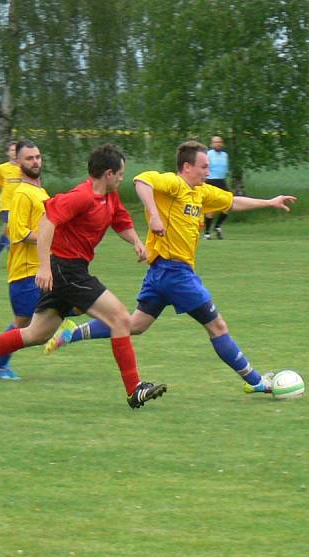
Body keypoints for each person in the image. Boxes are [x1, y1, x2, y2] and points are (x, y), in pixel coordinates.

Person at [44, 140, 296, 395]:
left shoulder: (202, 193)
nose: (208, 172)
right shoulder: (174, 184)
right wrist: (153, 214)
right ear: (187, 167)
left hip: (162, 274)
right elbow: (142, 181)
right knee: (217, 326)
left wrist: (269, 202)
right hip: (176, 274)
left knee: (134, 325)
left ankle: (73, 333)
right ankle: (255, 381)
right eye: (203, 166)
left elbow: (231, 203)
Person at [0, 143, 167, 409]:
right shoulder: (82, 196)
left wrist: (136, 241)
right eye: (121, 173)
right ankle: (134, 388)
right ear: (109, 174)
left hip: (71, 270)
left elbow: (120, 221)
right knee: (121, 318)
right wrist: (44, 267)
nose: (123, 178)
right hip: (67, 270)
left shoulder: (109, 197)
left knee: (35, 334)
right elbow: (47, 222)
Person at [0, 140, 50, 381]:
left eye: (37, 157)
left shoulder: (41, 192)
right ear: (19, 163)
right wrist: (48, 239)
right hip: (25, 273)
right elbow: (19, 233)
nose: (35, 161)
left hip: (39, 270)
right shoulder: (22, 194)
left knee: (24, 325)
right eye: (29, 158)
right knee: (27, 326)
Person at [0, 140, 23, 268]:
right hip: (6, 203)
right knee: (9, 229)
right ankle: (13, 259)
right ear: (8, 153)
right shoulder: (2, 168)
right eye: (12, 150)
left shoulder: (23, 166)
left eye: (17, 150)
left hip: (21, 203)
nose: (14, 153)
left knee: (8, 231)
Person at [203, 135, 230, 240]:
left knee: (228, 205)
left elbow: (225, 170)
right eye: (215, 142)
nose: (217, 144)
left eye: (219, 142)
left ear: (222, 143)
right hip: (210, 181)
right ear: (212, 144)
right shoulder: (208, 154)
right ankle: (207, 233)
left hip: (221, 181)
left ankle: (217, 226)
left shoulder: (225, 155)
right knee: (211, 209)